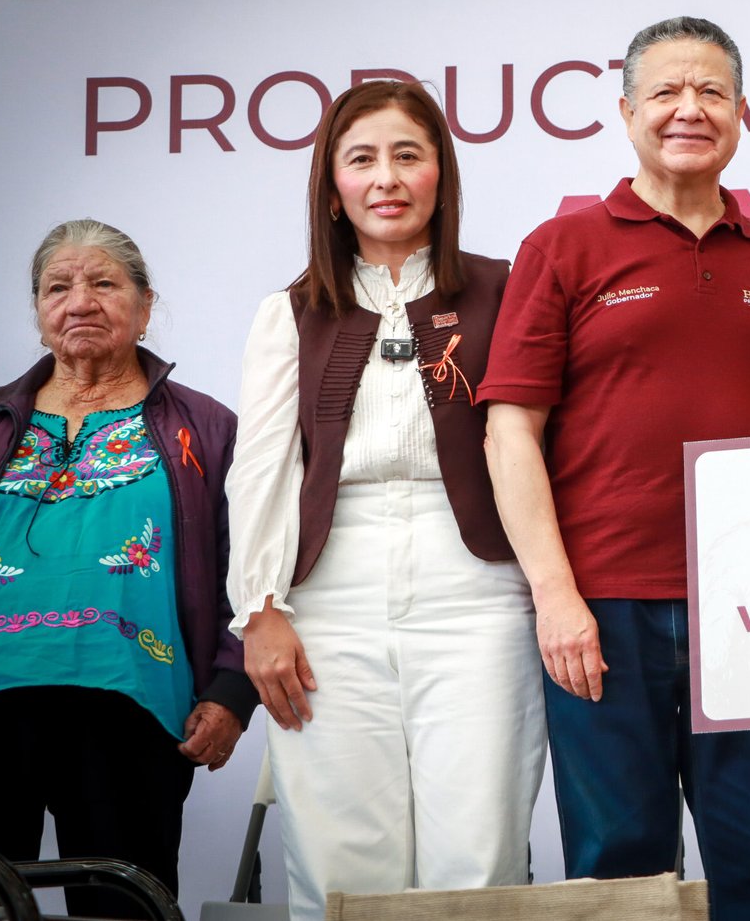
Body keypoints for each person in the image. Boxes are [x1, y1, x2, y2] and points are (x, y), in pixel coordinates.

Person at [479, 16, 750, 920]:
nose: (689, 109)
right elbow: (510, 433)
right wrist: (556, 595)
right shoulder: (563, 247)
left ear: (742, 113)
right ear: (628, 112)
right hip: (604, 607)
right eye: (666, 91)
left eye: (711, 92)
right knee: (617, 870)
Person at [226, 81, 546, 920]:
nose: (387, 178)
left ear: (442, 173)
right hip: (328, 596)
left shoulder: (507, 288)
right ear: (332, 188)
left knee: (478, 856)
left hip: (478, 589)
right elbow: (261, 468)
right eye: (361, 159)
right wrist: (259, 607)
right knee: (340, 863)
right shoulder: (290, 311)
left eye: (408, 154)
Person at [0, 219, 256, 918]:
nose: (80, 301)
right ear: (39, 310)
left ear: (145, 304)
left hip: (133, 700)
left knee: (121, 905)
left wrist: (232, 689)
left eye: (103, 283)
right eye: (58, 287)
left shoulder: (207, 426)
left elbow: (252, 567)